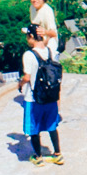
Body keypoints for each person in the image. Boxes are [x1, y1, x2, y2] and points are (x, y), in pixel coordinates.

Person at [20, 14, 65, 165]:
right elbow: (51, 37)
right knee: (52, 126)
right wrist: (45, 33)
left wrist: (19, 85)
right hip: (50, 96)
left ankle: (38, 157)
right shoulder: (49, 50)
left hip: (33, 98)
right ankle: (57, 154)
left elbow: (27, 77)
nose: (27, 39)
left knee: (34, 129)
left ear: (32, 37)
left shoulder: (28, 55)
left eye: (28, 36)